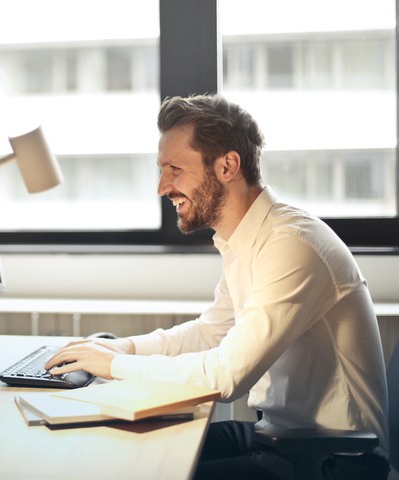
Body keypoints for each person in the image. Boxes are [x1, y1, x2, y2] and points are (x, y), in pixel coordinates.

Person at [45, 94, 390, 480]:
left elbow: (227, 376)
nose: (162, 187)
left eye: (174, 168)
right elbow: (212, 333)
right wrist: (124, 348)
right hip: (279, 439)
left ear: (228, 165)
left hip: (335, 461)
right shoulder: (245, 239)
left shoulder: (292, 245)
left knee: (144, 471)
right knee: (120, 453)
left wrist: (114, 366)